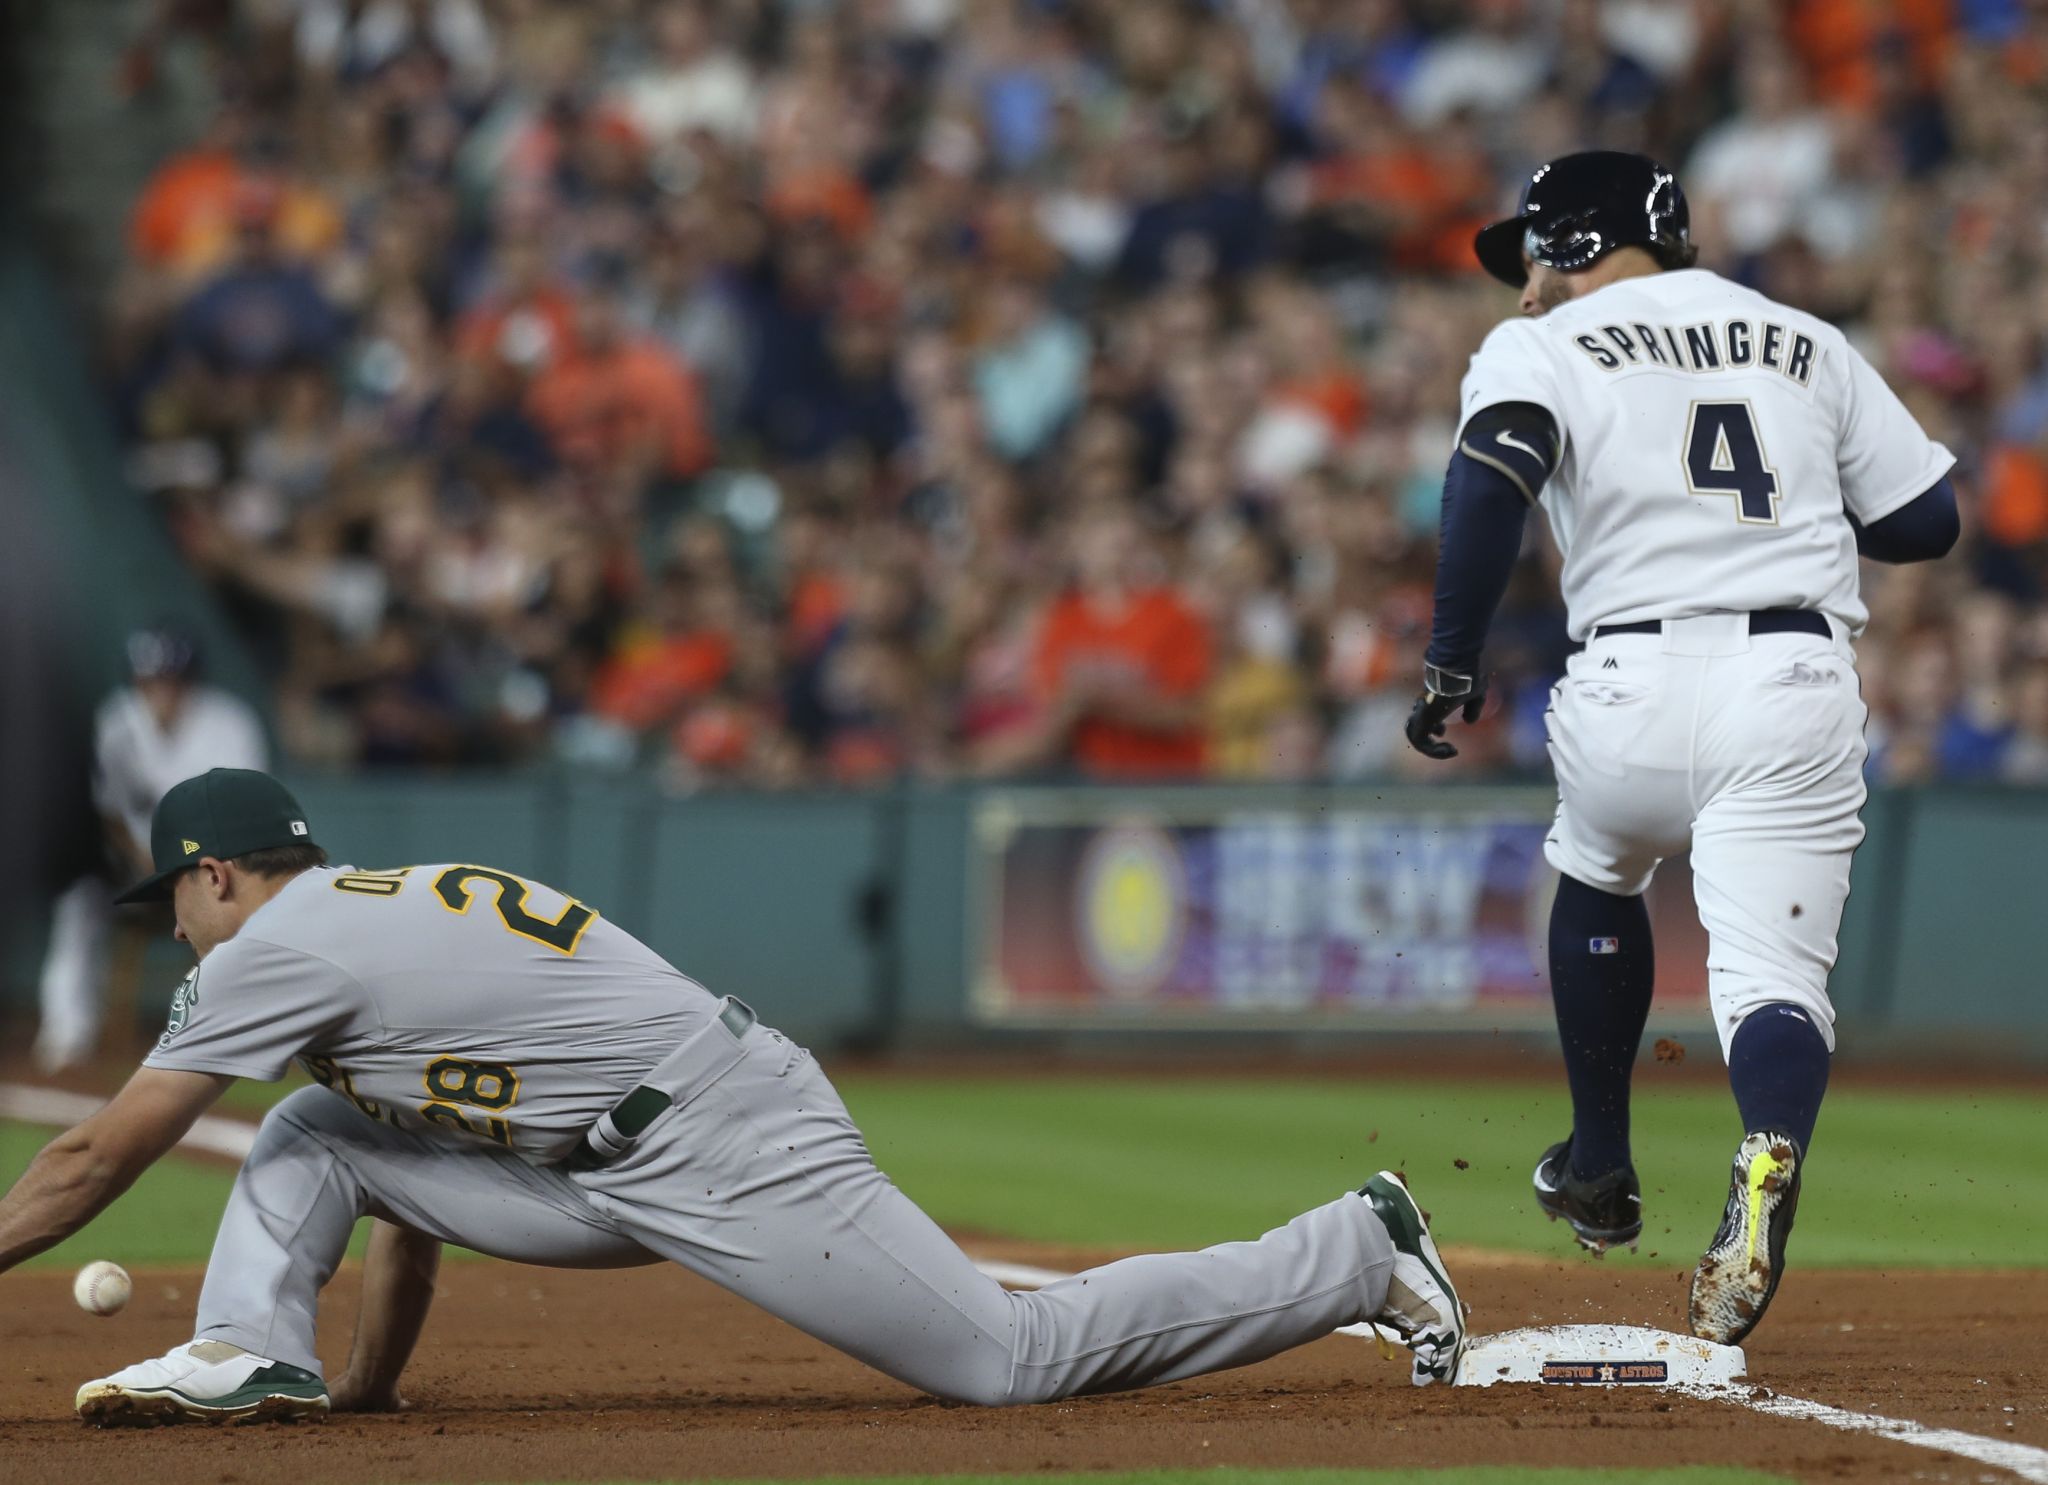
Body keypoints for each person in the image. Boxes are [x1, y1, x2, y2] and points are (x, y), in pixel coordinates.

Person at [0, 769, 1465, 1423]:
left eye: (173, 900)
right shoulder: (349, 925)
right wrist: (372, 1384)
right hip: (592, 1162)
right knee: (318, 1127)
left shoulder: (283, 940)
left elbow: (93, 1154)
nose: (172, 927)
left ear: (218, 874)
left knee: (1003, 1359)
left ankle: (1354, 1245)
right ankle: (263, 1355)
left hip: (719, 1128)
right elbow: (399, 1172)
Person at [1404, 151, 1957, 1345]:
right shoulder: (1799, 337)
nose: (1523, 291)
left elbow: (1491, 473)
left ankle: (1597, 1160)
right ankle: (1766, 1155)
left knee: (1599, 870)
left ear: (1575, 248)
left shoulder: (1542, 348)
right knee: (1770, 979)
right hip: (1789, 676)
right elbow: (1925, 520)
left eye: (1533, 261)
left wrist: (1450, 654)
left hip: (1630, 675)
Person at [34, 626, 266, 1072]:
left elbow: (240, 810)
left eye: (172, 680)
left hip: (208, 866)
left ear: (191, 681)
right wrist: (142, 861)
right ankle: (66, 1032)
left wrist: (186, 865)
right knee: (78, 898)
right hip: (131, 865)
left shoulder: (229, 723)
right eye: (151, 680)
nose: (162, 690)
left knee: (251, 908)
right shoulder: (116, 720)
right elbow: (105, 811)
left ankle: (234, 1033)